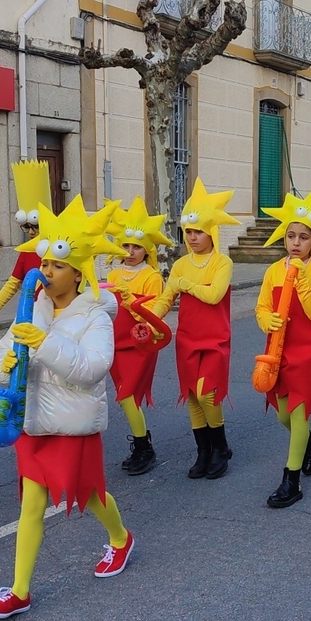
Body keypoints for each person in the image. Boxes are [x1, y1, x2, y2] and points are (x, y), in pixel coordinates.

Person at [0, 200, 135, 619]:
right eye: (44, 263)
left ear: (79, 271)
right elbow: (0, 362)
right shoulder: (32, 309)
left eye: (57, 266)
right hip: (32, 421)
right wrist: (5, 363)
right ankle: (19, 590)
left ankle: (120, 538)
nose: (46, 272)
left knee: (89, 495)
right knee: (32, 504)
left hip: (71, 423)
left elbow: (92, 369)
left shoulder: (95, 317)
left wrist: (43, 344)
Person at [256, 189, 311, 508]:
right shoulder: (271, 271)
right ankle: (309, 440)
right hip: (278, 350)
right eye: (291, 235)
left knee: (298, 411)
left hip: (307, 351)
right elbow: (262, 307)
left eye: (303, 237)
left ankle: (290, 481)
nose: (296, 242)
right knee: (284, 414)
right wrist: (267, 320)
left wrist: (302, 276)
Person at [147, 180, 240, 479]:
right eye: (188, 231)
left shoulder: (222, 262)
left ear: (211, 231)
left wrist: (184, 285)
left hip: (215, 339)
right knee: (191, 396)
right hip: (187, 339)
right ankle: (203, 451)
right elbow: (165, 299)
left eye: (198, 230)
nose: (192, 236)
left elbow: (214, 295)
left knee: (207, 394)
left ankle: (220, 447)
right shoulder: (180, 264)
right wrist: (147, 316)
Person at [105, 197, 173, 476]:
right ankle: (142, 442)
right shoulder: (112, 272)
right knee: (124, 397)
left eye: (137, 247)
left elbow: (152, 316)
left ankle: (144, 447)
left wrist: (129, 297)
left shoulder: (152, 276)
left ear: (147, 249)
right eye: (126, 245)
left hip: (140, 344)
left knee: (126, 396)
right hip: (114, 344)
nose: (131, 251)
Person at [0, 160, 47, 341]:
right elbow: (13, 284)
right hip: (29, 317)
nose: (31, 233)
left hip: (55, 321)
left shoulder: (59, 251)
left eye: (36, 226)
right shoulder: (27, 251)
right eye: (26, 227)